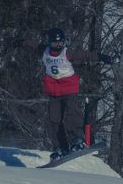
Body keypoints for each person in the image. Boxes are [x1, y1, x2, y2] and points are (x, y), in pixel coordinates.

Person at [25, 27, 112, 160]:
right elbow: (32, 45)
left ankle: (77, 140)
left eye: (61, 43)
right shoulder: (44, 52)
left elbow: (85, 55)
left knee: (72, 115)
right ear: (49, 43)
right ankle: (60, 147)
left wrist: (101, 57)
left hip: (69, 89)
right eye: (55, 43)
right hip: (53, 90)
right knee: (53, 120)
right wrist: (19, 42)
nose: (58, 46)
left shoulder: (68, 53)